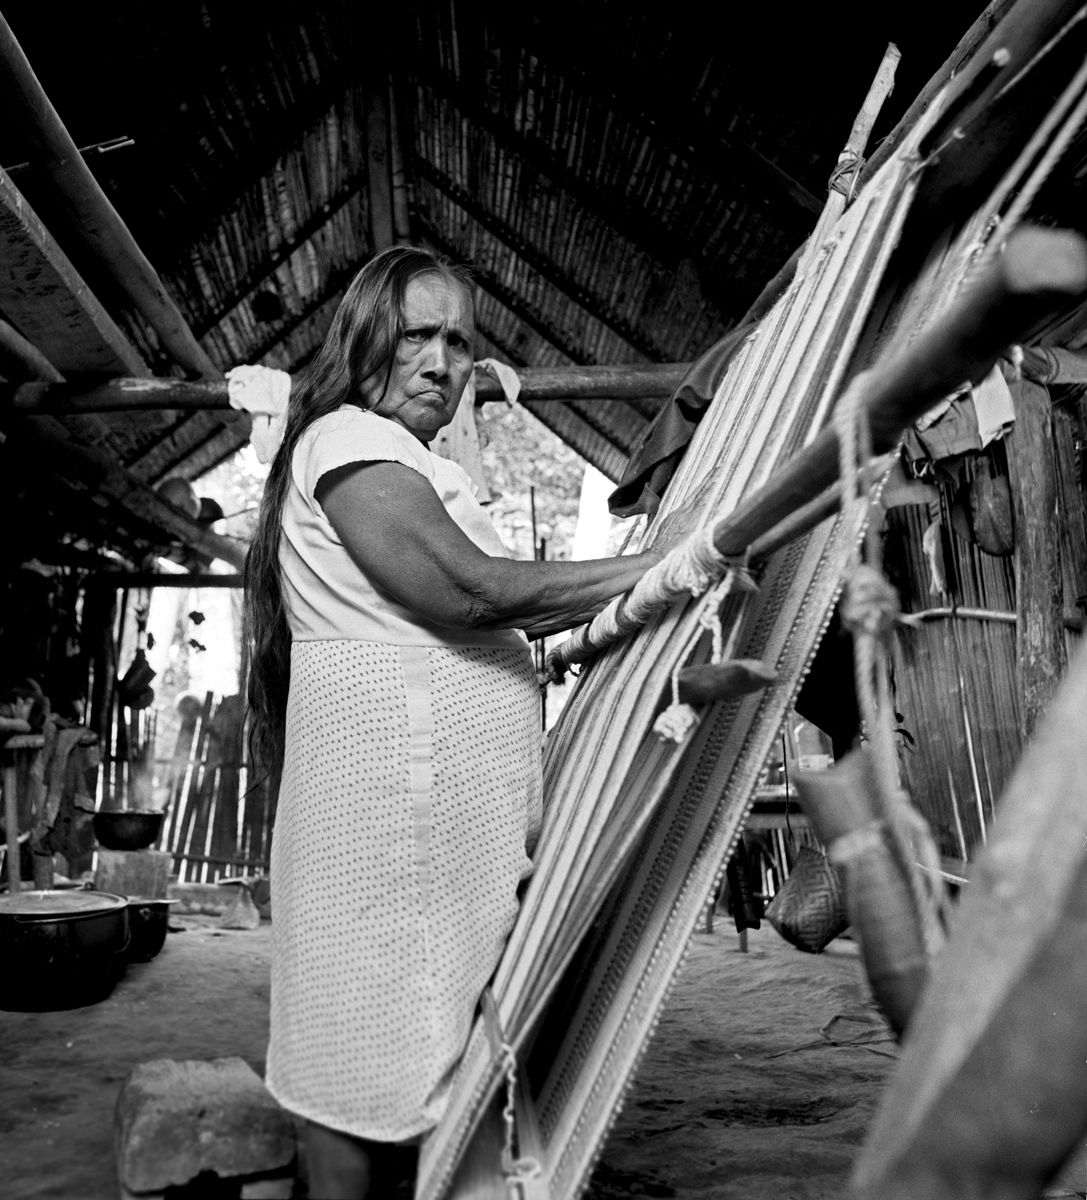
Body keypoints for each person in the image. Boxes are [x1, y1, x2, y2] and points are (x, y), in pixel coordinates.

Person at [243, 245, 671, 1199]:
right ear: (363, 341)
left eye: (458, 341)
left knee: (435, 1063)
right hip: (387, 834)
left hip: (426, 845)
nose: (441, 362)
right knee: (360, 1058)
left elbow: (489, 611)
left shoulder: (413, 462)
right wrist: (658, 565)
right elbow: (470, 591)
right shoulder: (347, 440)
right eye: (416, 335)